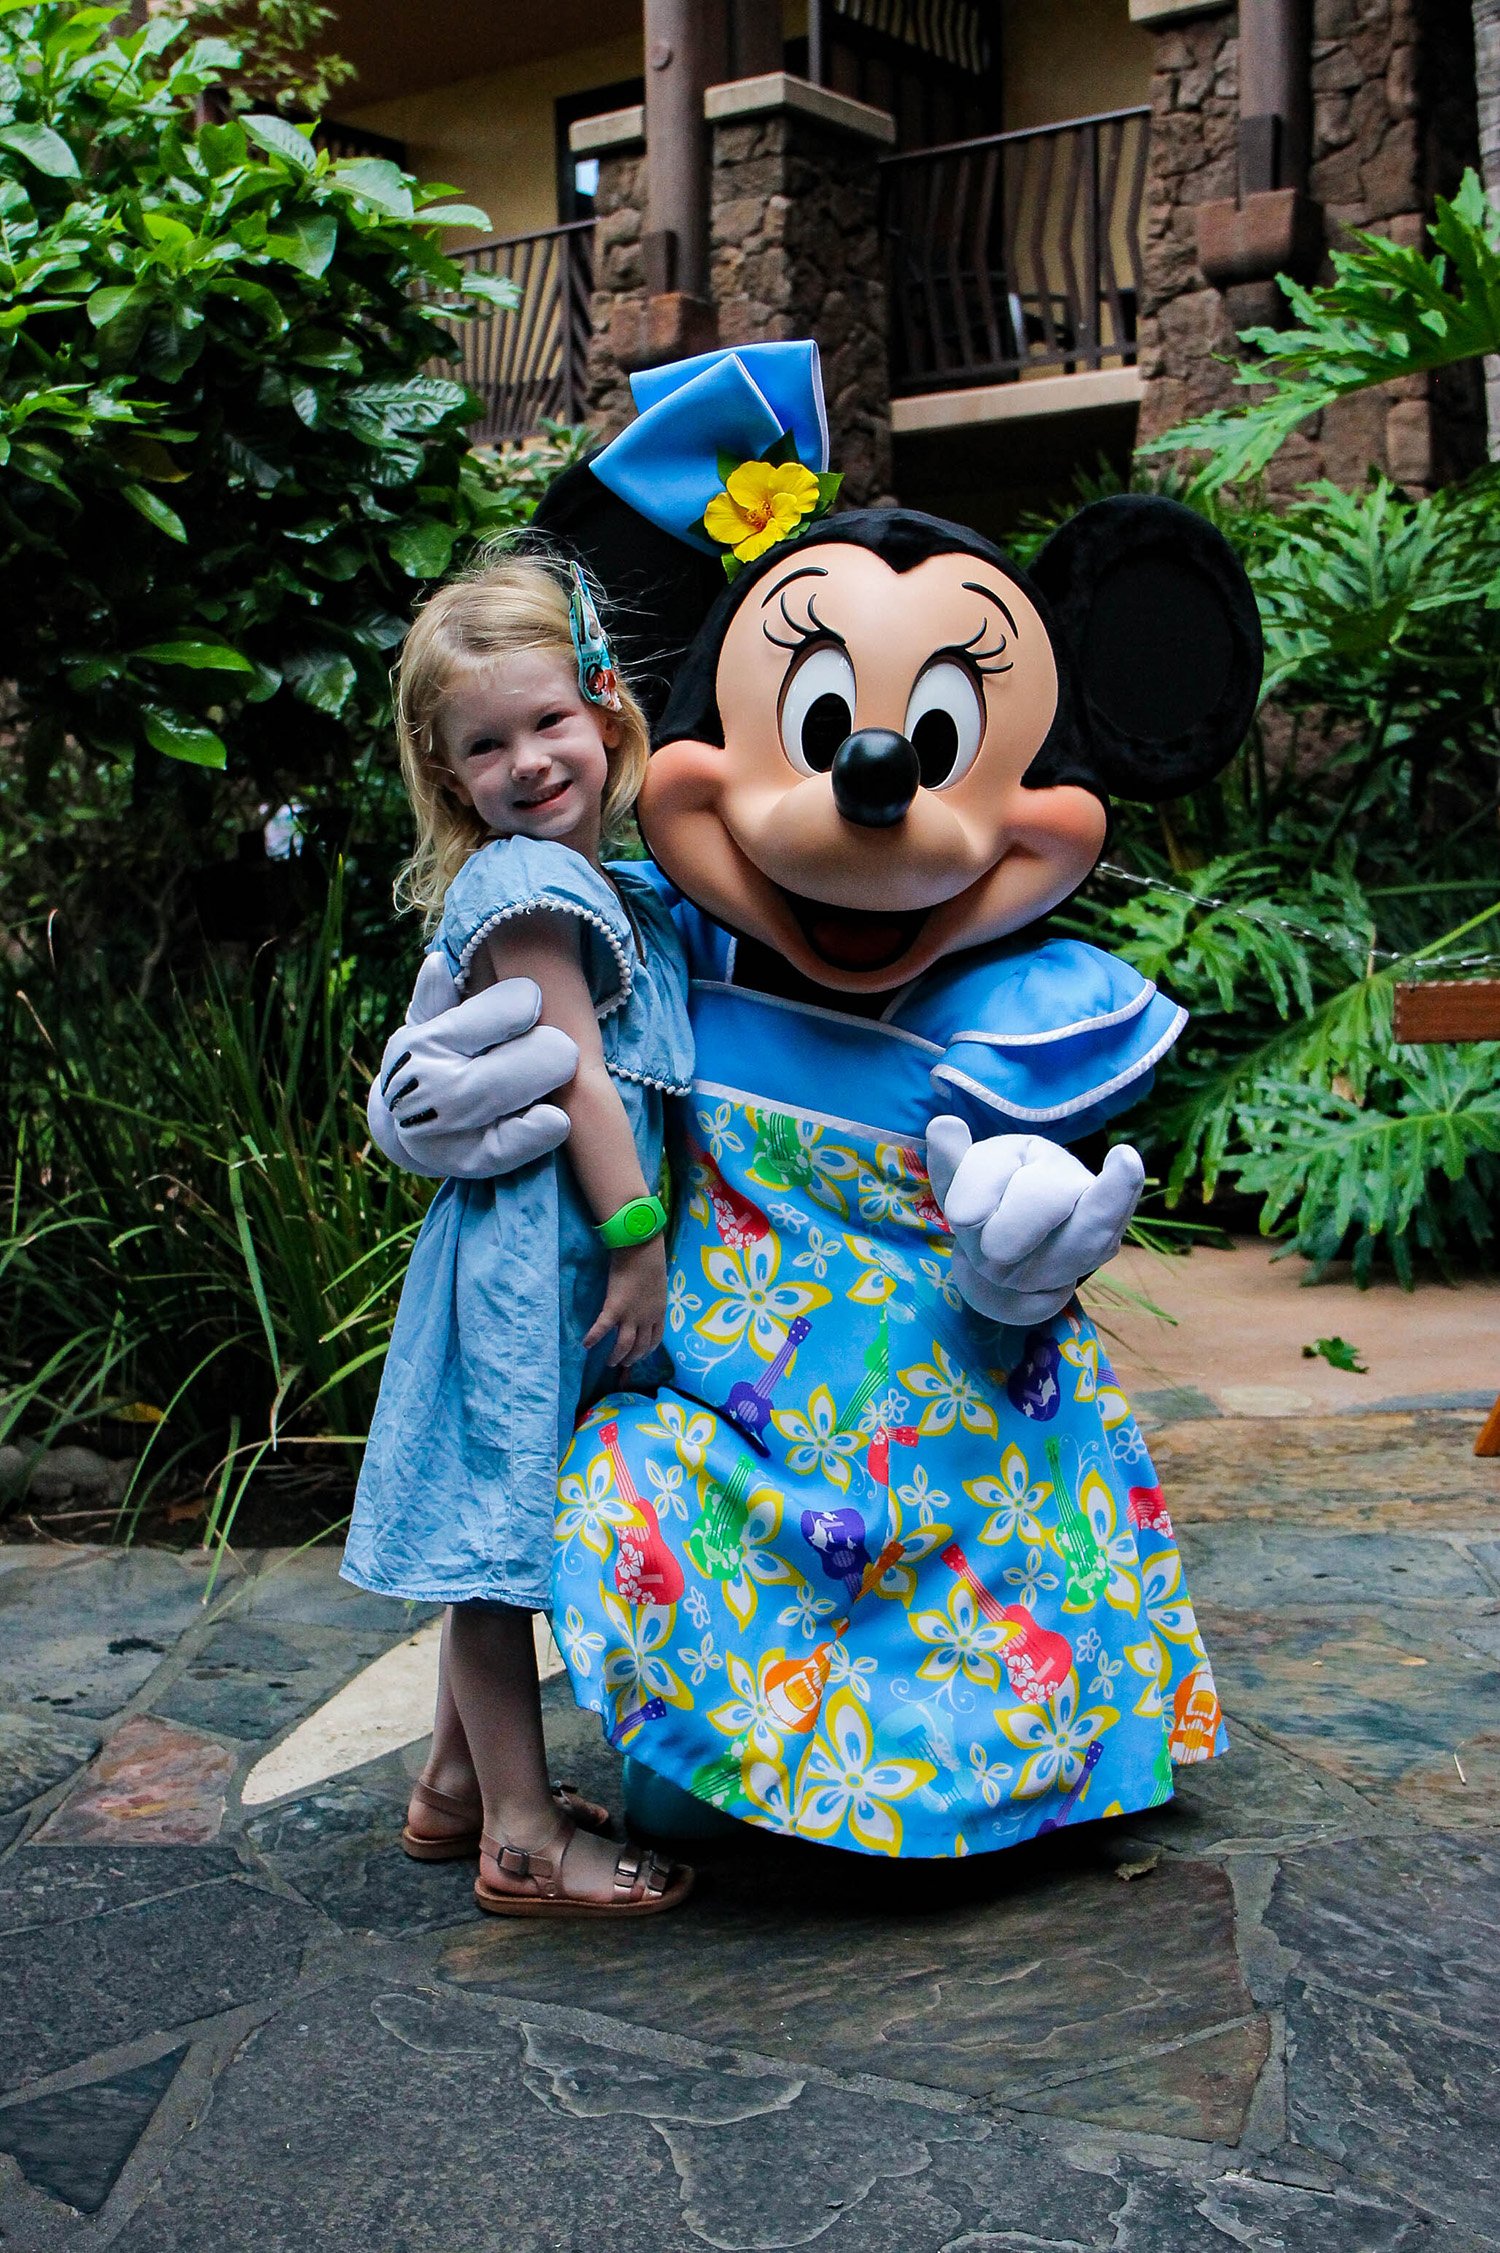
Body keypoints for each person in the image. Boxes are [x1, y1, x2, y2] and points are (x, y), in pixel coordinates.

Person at [342, 553, 695, 1916]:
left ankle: (448, 1789)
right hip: (535, 1261)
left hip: (547, 1252)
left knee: (507, 1520)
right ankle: (524, 1838)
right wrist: (641, 1239)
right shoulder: (530, 890)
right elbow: (577, 1075)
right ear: (450, 778)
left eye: (547, 720)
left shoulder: (594, 873)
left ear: (604, 705)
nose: (528, 760)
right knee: (500, 1555)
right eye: (485, 746)